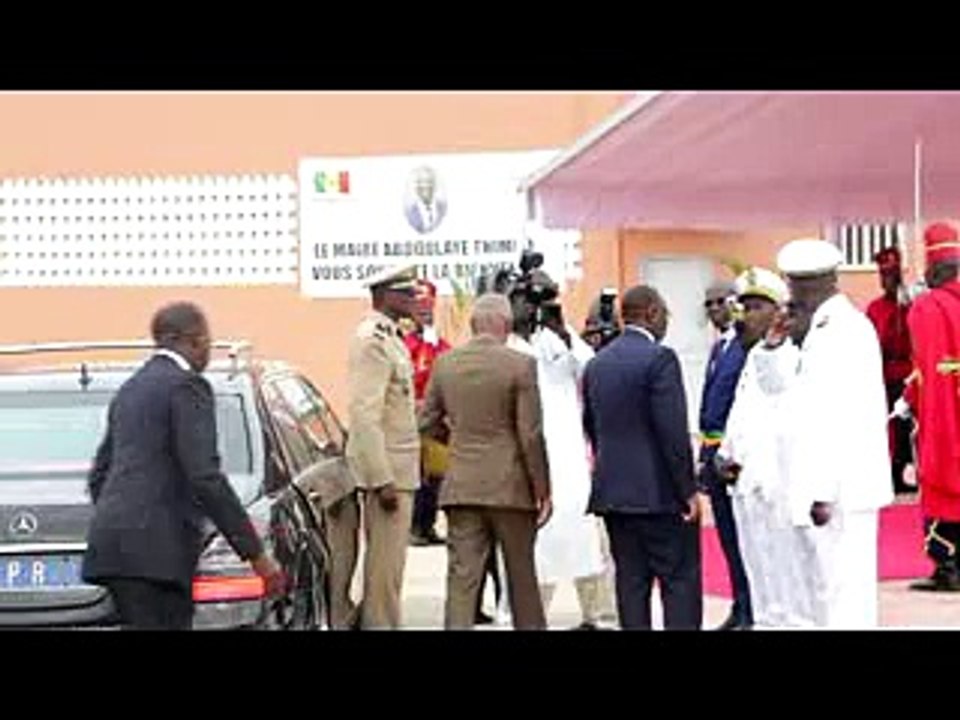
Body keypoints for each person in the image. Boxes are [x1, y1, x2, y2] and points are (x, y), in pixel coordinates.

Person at [82, 301, 285, 630]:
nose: (207, 351)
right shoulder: (188, 386)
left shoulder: (131, 388)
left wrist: (126, 520)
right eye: (206, 341)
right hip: (158, 557)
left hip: (113, 549)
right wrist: (256, 554)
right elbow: (204, 476)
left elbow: (100, 475)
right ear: (194, 340)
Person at [775, 238, 893, 629]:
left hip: (839, 490)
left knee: (843, 595)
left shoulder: (841, 331)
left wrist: (821, 490)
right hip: (831, 488)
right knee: (827, 592)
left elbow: (835, 416)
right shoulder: (821, 329)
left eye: (793, 287)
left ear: (807, 286)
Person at [419, 292, 552, 630]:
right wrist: (543, 489)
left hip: (461, 485)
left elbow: (425, 421)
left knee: (462, 581)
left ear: (474, 325)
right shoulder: (520, 365)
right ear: (505, 325)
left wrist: (455, 438)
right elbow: (530, 434)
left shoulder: (446, 363)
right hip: (511, 488)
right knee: (522, 578)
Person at [582, 285, 702, 631]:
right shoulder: (660, 359)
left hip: (614, 495)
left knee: (631, 584)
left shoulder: (597, 363)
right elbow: (672, 432)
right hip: (660, 497)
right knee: (678, 582)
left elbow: (592, 426)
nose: (666, 322)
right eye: (665, 314)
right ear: (651, 313)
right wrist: (688, 491)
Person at [504, 297, 611, 630]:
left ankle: (595, 614)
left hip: (569, 459)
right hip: (527, 460)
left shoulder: (559, 341)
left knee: (585, 539)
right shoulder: (507, 345)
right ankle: (528, 616)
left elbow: (590, 368)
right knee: (535, 546)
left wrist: (561, 330)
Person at [715, 268, 805, 627]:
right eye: (743, 307)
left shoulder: (796, 357)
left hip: (780, 488)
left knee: (789, 581)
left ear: (778, 312)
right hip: (747, 487)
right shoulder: (751, 359)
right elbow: (738, 419)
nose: (744, 316)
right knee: (758, 574)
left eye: (755, 307)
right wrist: (724, 455)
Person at [345, 264, 422, 629]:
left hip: (400, 468)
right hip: (388, 473)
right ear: (385, 295)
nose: (414, 299)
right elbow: (364, 414)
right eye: (406, 292)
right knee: (383, 572)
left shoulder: (390, 336)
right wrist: (381, 478)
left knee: (389, 572)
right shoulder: (372, 340)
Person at [901, 222, 960, 592]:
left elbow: (926, 367)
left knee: (942, 478)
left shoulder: (929, 307)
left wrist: (911, 399)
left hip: (943, 409)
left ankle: (948, 564)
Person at [697, 280, 753, 630]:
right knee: (728, 539)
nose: (715, 308)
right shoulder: (720, 347)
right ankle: (740, 603)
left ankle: (751, 609)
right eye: (709, 304)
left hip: (735, 454)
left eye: (721, 301)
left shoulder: (747, 347)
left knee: (744, 537)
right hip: (713, 449)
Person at [404, 278, 453, 547]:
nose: (425, 315)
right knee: (417, 476)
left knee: (437, 476)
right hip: (411, 420)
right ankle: (414, 526)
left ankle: (427, 524)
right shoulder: (404, 344)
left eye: (429, 310)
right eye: (420, 310)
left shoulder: (440, 345)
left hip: (436, 421)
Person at [865, 246, 915, 494]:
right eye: (883, 276)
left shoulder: (911, 303)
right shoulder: (875, 308)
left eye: (892, 275)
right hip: (884, 376)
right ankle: (892, 473)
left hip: (908, 374)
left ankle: (910, 470)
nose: (887, 281)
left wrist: (907, 307)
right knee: (889, 430)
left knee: (909, 428)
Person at [404, 166, 447, 234]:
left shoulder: (441, 207)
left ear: (435, 186)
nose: (425, 187)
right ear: (416, 188)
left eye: (428, 182)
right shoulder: (411, 211)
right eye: (421, 183)